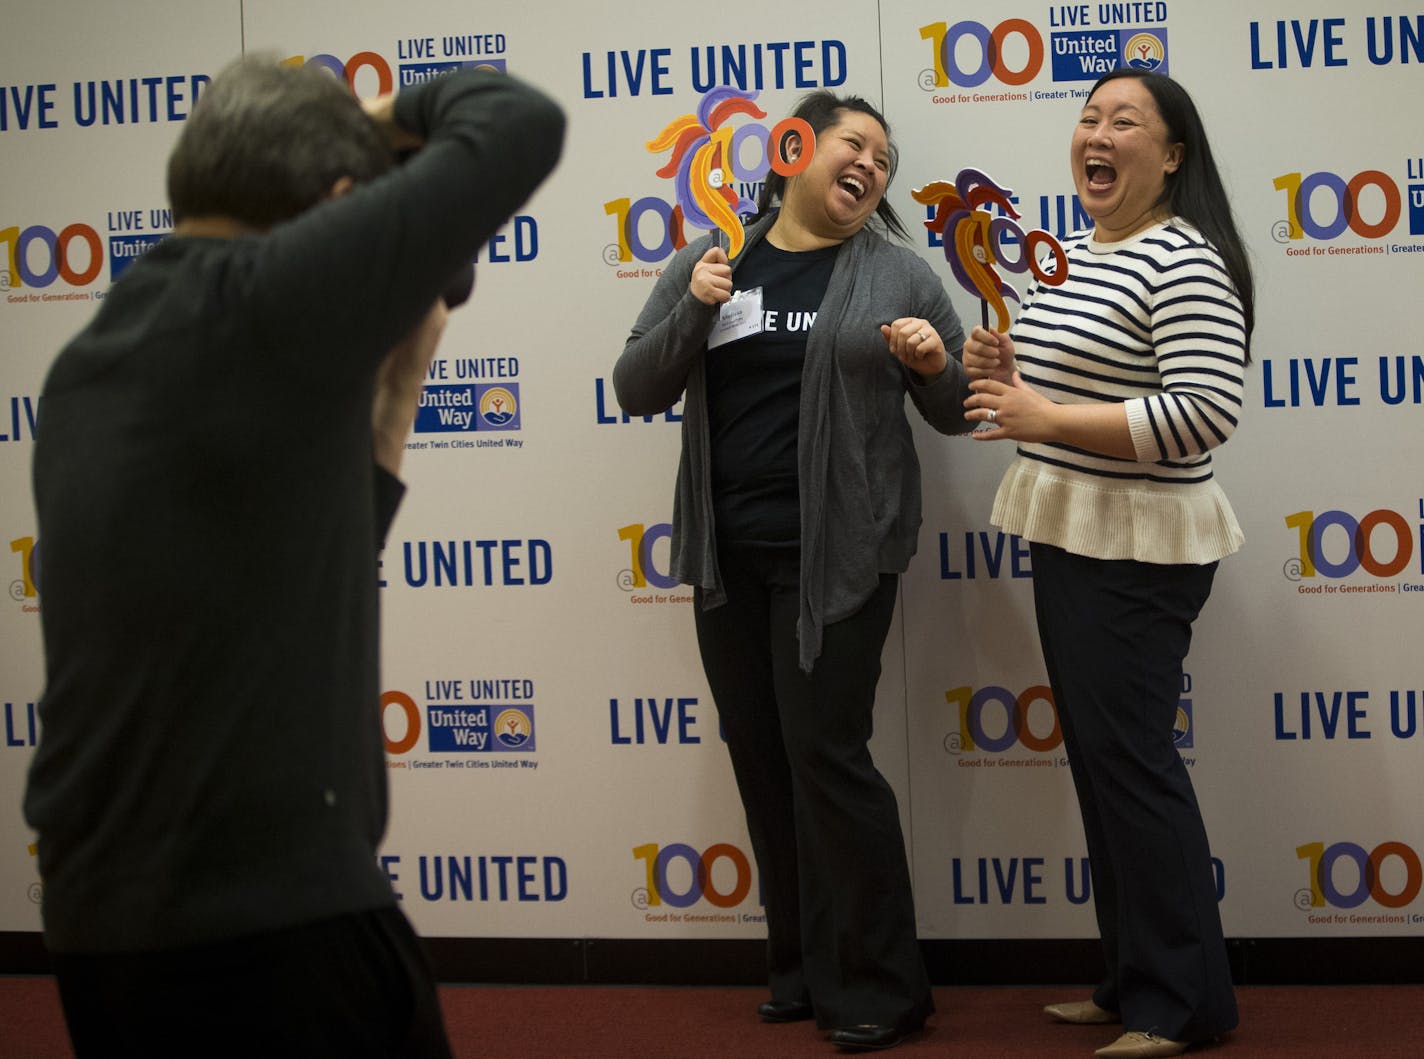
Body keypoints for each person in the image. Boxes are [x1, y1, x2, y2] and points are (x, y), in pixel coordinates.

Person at [23, 58, 563, 1056]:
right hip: (264, 930)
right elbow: (519, 120)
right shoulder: (260, 304)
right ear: (339, 206)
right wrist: (377, 119)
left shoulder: (106, 353)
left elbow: (292, 566)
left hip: (115, 925)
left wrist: (396, 394)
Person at [614, 90, 970, 1051]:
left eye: (885, 161)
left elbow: (956, 408)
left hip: (843, 559)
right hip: (729, 559)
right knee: (764, 763)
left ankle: (882, 984)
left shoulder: (900, 274)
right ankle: (800, 969)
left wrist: (936, 363)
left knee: (827, 757)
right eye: (856, 145)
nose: (872, 167)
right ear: (796, 148)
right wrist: (692, 308)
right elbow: (636, 382)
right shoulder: (711, 256)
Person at [961, 68, 1251, 1059]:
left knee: (1130, 766)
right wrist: (1002, 378)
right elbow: (1053, 386)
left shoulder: (1182, 258)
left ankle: (1179, 1003)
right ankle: (1134, 978)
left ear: (1170, 155)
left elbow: (1201, 412)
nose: (1097, 131)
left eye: (1123, 120)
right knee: (1101, 765)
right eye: (1087, 117)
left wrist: (1044, 416)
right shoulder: (1078, 253)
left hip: (1138, 545)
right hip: (1072, 531)